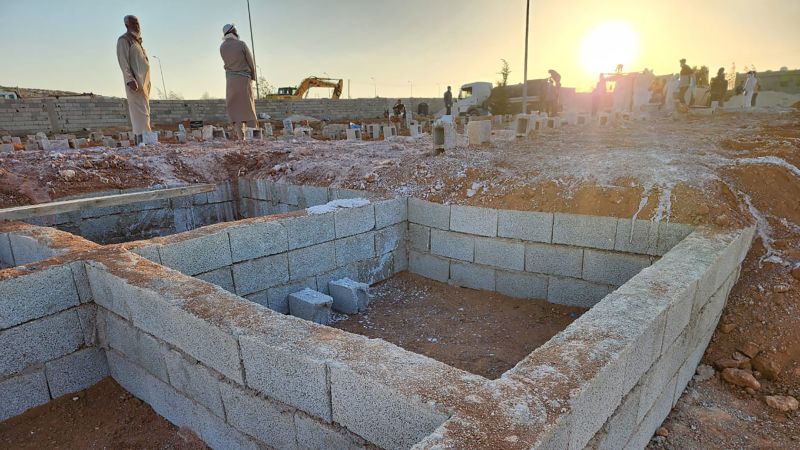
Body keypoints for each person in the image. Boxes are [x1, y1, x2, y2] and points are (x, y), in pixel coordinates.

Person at [117, 15, 152, 146]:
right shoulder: (124, 40)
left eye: (137, 23)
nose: (137, 25)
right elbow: (123, 61)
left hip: (144, 84)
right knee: (138, 113)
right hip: (134, 83)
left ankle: (147, 139)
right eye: (133, 23)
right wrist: (129, 79)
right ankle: (141, 141)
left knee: (145, 112)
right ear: (127, 25)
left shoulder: (137, 42)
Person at [220, 24, 259, 140]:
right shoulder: (241, 44)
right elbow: (251, 62)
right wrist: (253, 77)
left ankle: (241, 137)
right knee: (248, 108)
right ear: (233, 31)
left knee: (235, 109)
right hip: (243, 79)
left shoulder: (222, 47)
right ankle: (253, 136)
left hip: (231, 81)